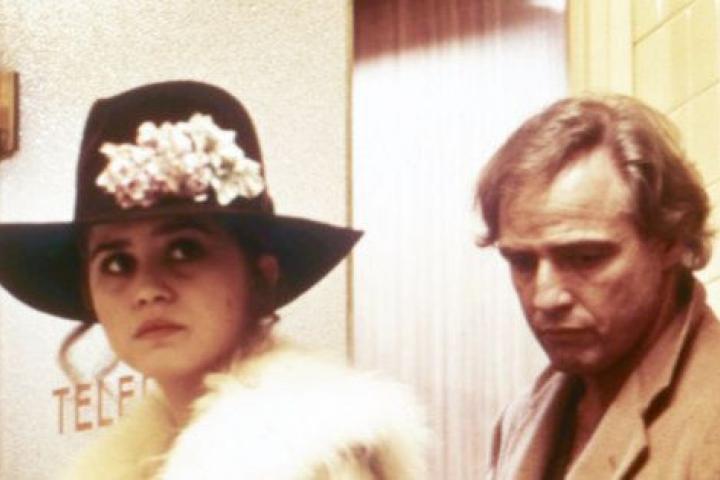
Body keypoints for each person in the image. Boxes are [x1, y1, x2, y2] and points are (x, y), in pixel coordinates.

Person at [0, 81, 426, 479]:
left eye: (183, 250)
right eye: (116, 263)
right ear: (88, 292)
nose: (147, 290)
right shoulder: (132, 461)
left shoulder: (317, 457)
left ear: (261, 277)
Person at [475, 94, 720, 479]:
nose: (545, 298)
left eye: (585, 257)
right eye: (522, 262)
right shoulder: (521, 420)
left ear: (670, 242)